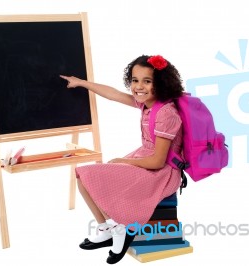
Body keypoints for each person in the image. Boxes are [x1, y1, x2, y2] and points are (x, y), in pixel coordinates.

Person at [60, 54, 184, 264]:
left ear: (160, 83)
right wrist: (81, 83)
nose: (139, 87)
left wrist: (124, 162)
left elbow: (157, 162)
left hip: (162, 172)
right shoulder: (147, 104)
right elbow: (114, 94)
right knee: (83, 177)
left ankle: (121, 229)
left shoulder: (166, 114)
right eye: (135, 80)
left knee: (89, 173)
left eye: (147, 81)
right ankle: (107, 229)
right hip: (144, 158)